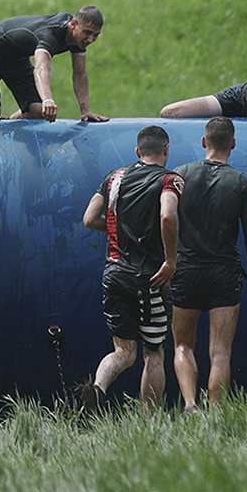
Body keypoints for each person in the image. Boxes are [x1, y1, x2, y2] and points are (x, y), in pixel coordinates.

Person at [166, 117, 247, 410]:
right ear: (232, 144)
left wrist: (168, 260)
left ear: (203, 142)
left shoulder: (180, 175)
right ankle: (215, 410)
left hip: (186, 271)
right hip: (224, 273)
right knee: (220, 352)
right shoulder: (242, 183)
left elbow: (165, 220)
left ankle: (189, 405)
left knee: (183, 345)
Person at [80, 126, 182, 412]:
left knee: (123, 351)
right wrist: (171, 261)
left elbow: (90, 219)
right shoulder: (169, 180)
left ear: (138, 152)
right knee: (153, 352)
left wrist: (121, 231)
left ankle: (96, 390)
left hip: (114, 274)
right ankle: (149, 420)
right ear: (166, 150)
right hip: (150, 277)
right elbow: (167, 214)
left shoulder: (114, 178)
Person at [0, 6, 110, 122]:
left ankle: (7, 124)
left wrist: (85, 111)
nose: (90, 40)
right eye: (87, 33)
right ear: (73, 24)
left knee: (38, 112)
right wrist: (48, 99)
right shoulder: (50, 34)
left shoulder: (78, 40)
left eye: (95, 35)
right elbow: (41, 68)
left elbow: (80, 73)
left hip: (16, 60)